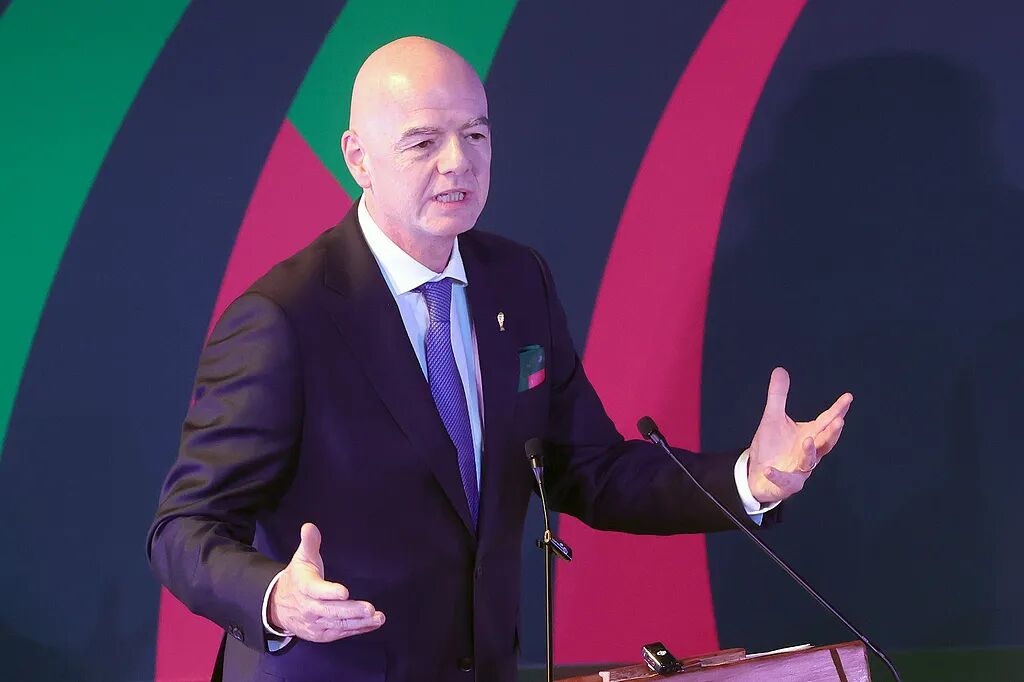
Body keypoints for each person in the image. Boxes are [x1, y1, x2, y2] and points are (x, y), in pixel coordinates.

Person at [147, 37, 852, 682]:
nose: (459, 161)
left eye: (476, 134)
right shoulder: (284, 318)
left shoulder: (516, 280)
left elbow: (588, 468)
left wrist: (749, 480)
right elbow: (184, 528)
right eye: (424, 141)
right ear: (358, 157)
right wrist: (275, 598)